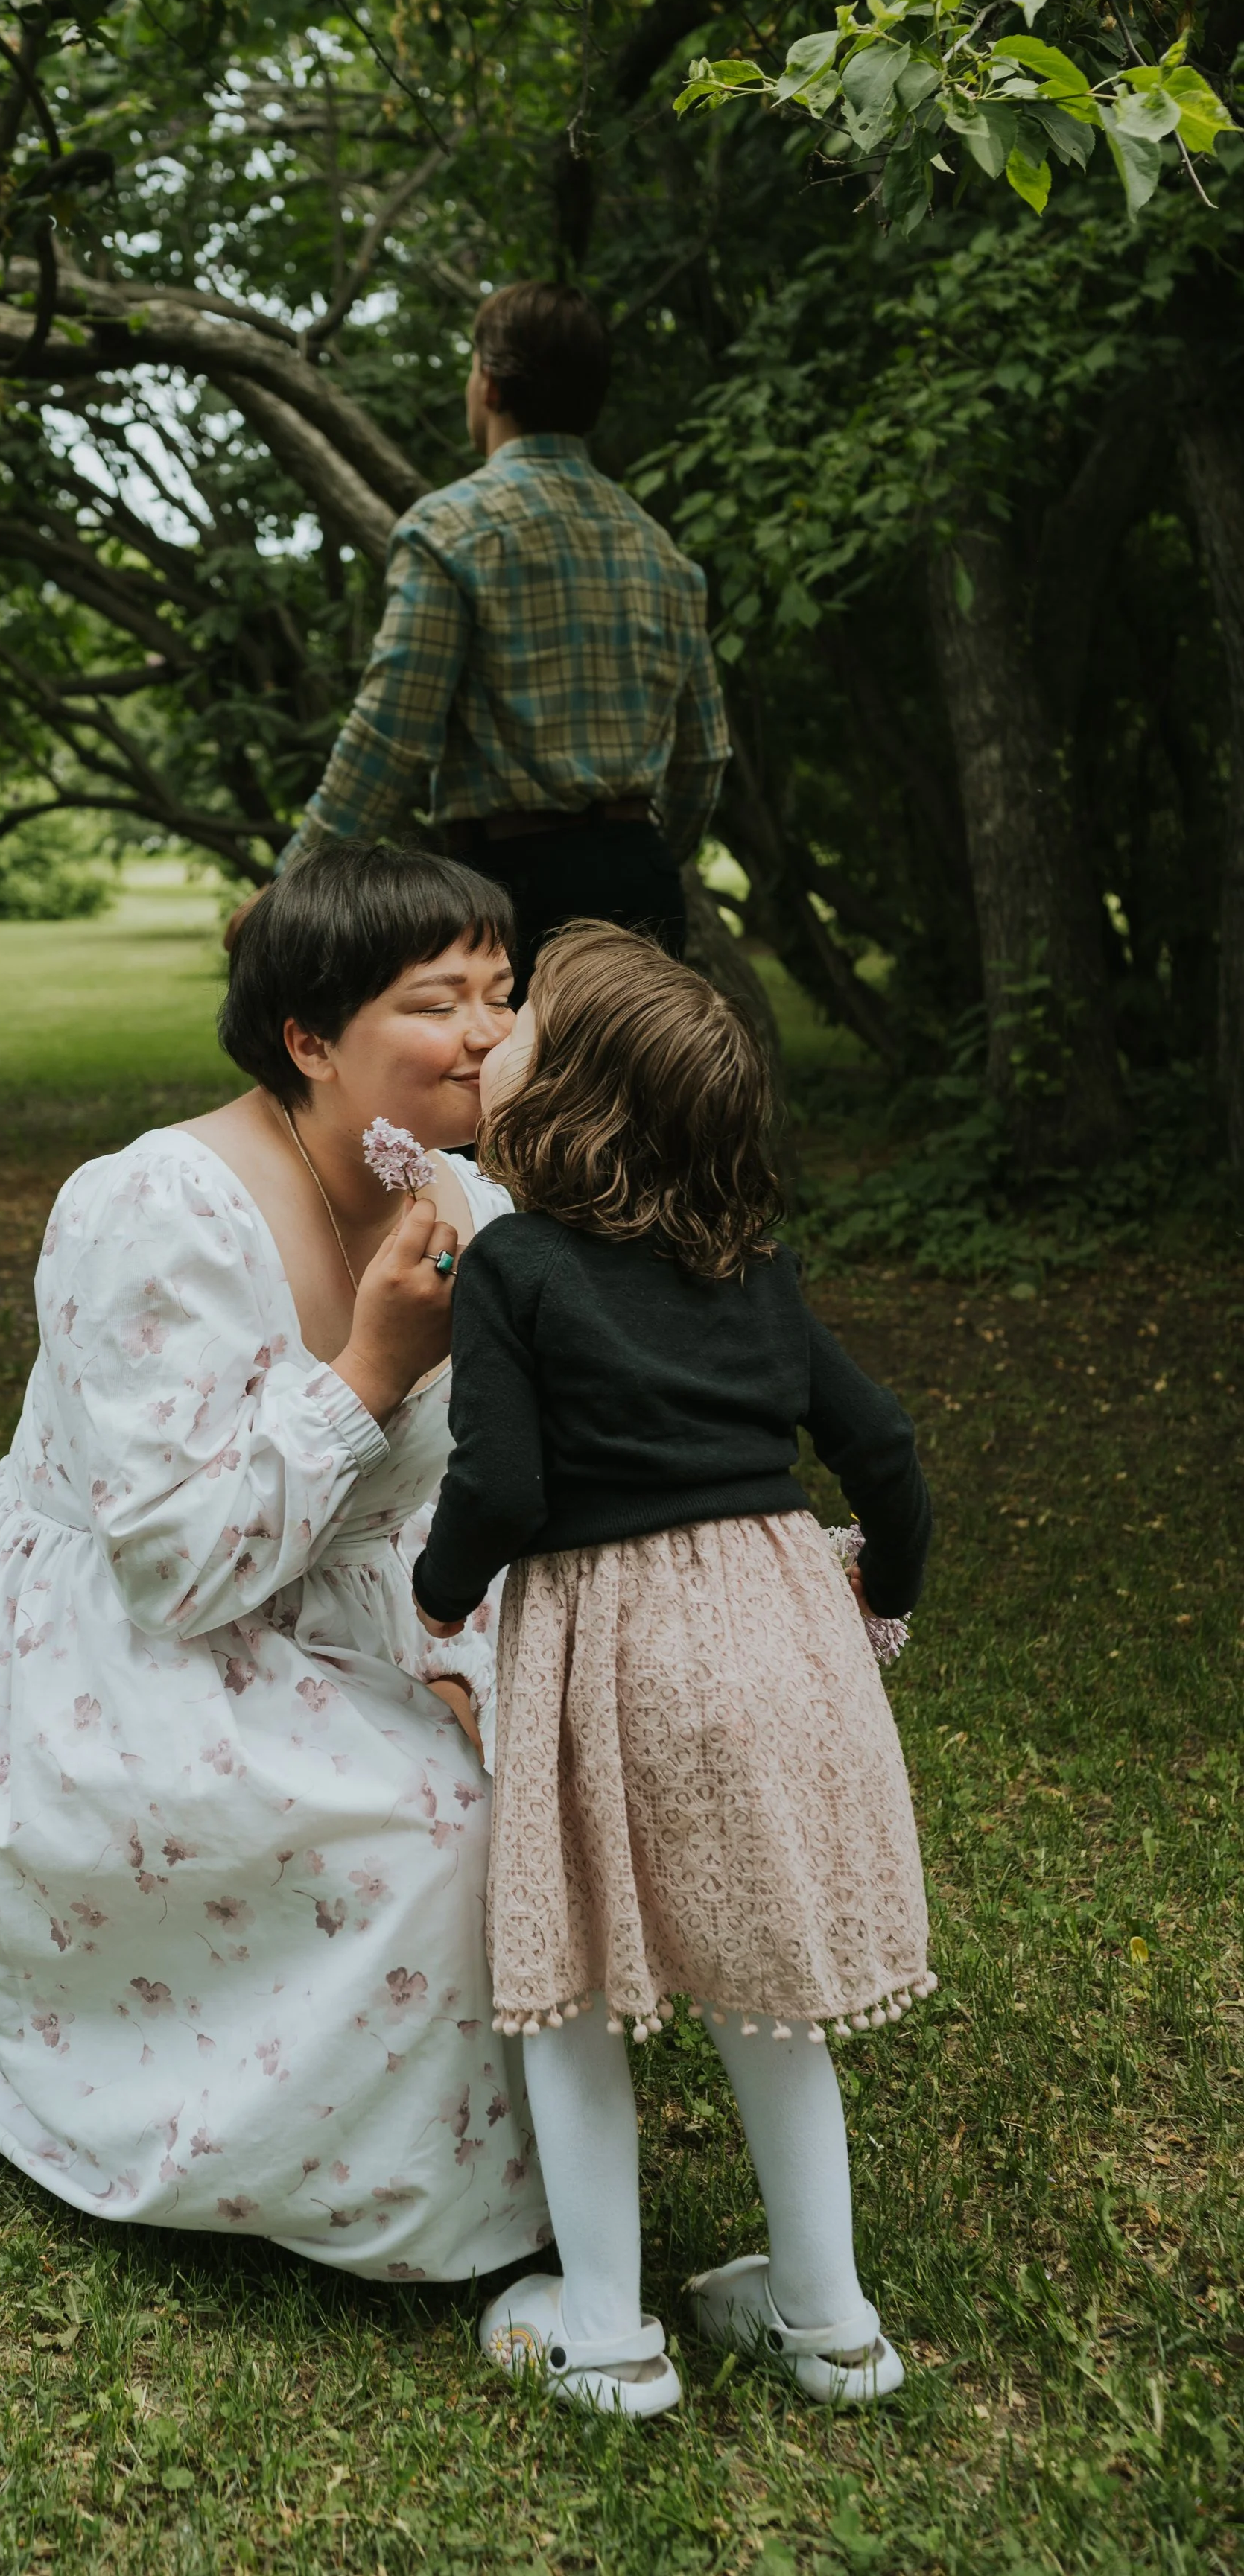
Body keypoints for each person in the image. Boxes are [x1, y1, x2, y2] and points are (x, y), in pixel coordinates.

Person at [0, 845, 553, 2282]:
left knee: (584, 1755)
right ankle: (376, 2188)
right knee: (444, 1833)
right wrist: (372, 1365)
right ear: (310, 1039)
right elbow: (175, 1571)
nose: (493, 1034)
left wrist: (464, 1645)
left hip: (366, 1596)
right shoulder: (153, 1210)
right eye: (444, 1002)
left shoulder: (472, 1203)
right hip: (129, 1655)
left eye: (505, 992)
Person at [410, 921, 934, 2411]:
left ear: (564, 1095)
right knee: (764, 1994)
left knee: (569, 1981)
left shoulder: (510, 1264)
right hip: (782, 1631)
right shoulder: (749, 1266)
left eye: (520, 1017)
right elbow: (882, 1452)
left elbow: (499, 1487)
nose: (488, 1029)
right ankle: (829, 2323)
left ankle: (605, 2326)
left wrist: (437, 1597)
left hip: (614, 1646)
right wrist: (875, 1604)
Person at [283, 280, 729, 991]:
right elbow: (705, 755)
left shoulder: (450, 530)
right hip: (640, 881)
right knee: (631, 1101)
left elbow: (391, 736)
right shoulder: (660, 550)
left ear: (488, 385)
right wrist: (645, 854)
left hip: (509, 890)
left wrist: (294, 883)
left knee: (506, 1101)